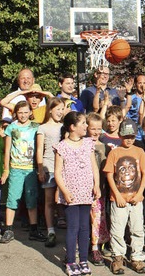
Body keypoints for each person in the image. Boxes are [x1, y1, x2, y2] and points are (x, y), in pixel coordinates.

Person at [54, 112, 101, 276]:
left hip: (86, 192)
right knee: (73, 228)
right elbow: (58, 173)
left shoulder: (88, 143)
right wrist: (64, 191)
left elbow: (94, 166)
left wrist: (97, 185)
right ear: (72, 127)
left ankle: (83, 260)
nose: (86, 126)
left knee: (84, 228)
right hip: (71, 194)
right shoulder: (62, 147)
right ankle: (70, 262)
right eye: (83, 123)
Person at [104, 118, 145, 274]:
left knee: (137, 229)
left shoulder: (140, 151)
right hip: (119, 199)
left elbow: (144, 174)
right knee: (117, 230)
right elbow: (110, 175)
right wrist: (117, 195)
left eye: (131, 136)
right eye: (125, 136)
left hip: (136, 199)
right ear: (120, 136)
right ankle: (118, 258)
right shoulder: (115, 152)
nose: (129, 139)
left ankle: (137, 258)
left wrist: (140, 193)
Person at [0, 101, 47, 244]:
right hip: (16, 168)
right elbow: (7, 150)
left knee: (31, 199)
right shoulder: (12, 128)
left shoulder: (35, 127)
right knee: (12, 198)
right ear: (15, 113)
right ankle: (8, 229)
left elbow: (39, 147)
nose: (23, 115)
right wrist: (6, 169)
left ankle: (33, 229)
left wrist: (39, 169)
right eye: (20, 112)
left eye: (26, 112)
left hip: (31, 169)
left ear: (30, 112)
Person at [36, 97, 66, 247]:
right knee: (49, 200)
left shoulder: (65, 126)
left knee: (63, 199)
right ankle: (50, 231)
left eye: (62, 109)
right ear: (50, 110)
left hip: (64, 168)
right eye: (58, 109)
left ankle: (66, 226)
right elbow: (40, 149)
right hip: (49, 165)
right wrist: (40, 168)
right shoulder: (43, 128)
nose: (60, 112)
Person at [86, 112, 110, 265]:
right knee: (84, 220)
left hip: (99, 189)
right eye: (93, 128)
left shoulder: (104, 147)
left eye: (99, 129)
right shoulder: (81, 145)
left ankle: (96, 246)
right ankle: (85, 245)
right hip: (83, 188)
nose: (96, 132)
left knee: (98, 219)